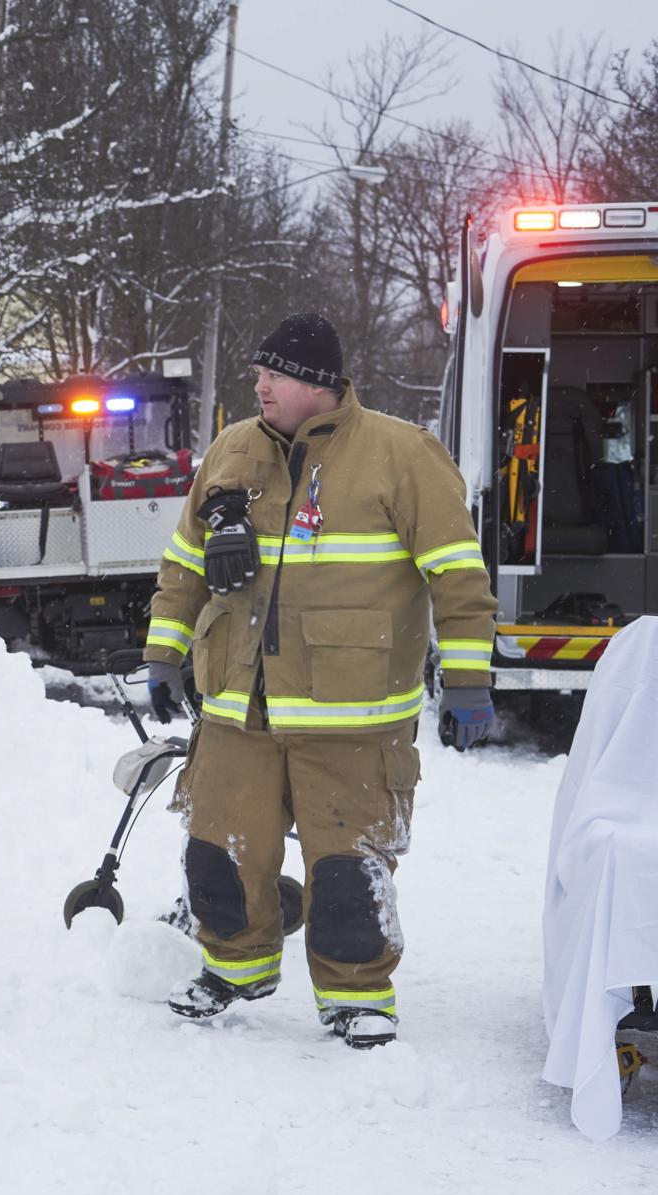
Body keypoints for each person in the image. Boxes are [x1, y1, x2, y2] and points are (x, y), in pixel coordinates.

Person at [142, 313, 498, 1049]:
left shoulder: (402, 455)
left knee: (346, 863)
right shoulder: (231, 450)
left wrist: (467, 679)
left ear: (315, 382)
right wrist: (162, 652)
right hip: (239, 703)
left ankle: (356, 991)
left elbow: (458, 575)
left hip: (351, 711)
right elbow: (183, 563)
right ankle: (233, 966)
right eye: (260, 374)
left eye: (273, 374)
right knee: (221, 846)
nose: (259, 384)